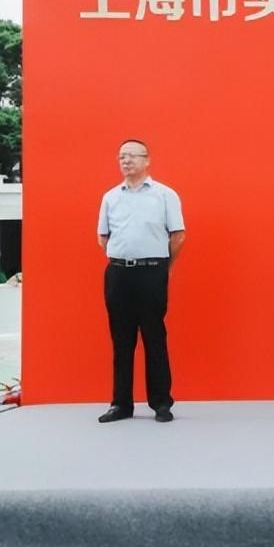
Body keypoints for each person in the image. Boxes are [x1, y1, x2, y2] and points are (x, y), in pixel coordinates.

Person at [96, 139, 185, 424]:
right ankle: (121, 404)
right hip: (119, 273)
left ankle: (161, 402)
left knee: (154, 337)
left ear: (147, 160)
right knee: (121, 340)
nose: (126, 161)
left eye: (132, 155)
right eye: (122, 156)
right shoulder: (110, 197)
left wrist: (164, 267)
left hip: (152, 272)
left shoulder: (165, 195)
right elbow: (103, 237)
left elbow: (178, 235)